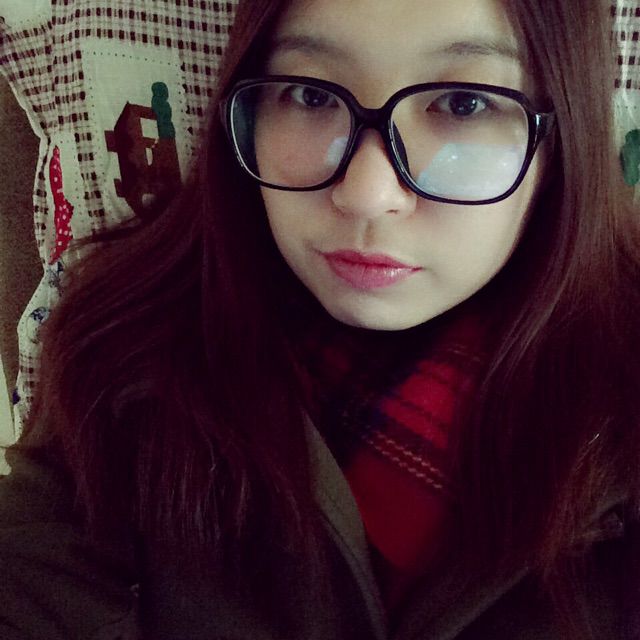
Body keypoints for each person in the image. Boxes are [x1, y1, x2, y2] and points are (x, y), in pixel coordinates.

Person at [0, 0, 639, 638]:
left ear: (560, 137)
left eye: (463, 104)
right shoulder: (121, 352)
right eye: (310, 95)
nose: (366, 194)